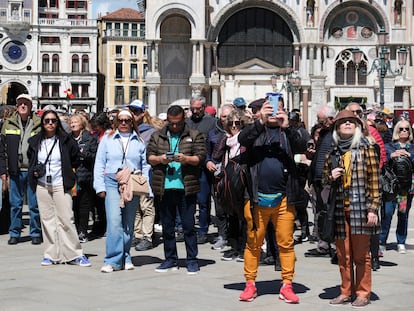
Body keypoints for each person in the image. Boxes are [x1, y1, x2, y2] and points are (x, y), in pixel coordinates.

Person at [238, 98, 307, 303]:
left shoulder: (287, 132)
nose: (275, 112)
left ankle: (287, 284)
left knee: (286, 243)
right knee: (253, 243)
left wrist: (288, 127)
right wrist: (260, 121)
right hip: (256, 197)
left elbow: (302, 146)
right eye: (270, 108)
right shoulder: (255, 130)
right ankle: (250, 283)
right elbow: (243, 139)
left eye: (278, 108)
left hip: (285, 197)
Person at [323, 109, 380, 307]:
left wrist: (373, 209)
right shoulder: (333, 151)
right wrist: (331, 176)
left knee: (361, 255)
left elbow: (374, 180)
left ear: (357, 126)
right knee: (343, 255)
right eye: (343, 122)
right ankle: (345, 291)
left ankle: (363, 293)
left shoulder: (366, 147)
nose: (347, 124)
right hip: (339, 209)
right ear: (337, 128)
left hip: (361, 209)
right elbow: (322, 179)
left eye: (351, 122)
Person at [27, 109, 91, 267]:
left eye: (53, 121)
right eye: (47, 120)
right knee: (47, 220)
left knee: (66, 219)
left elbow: (76, 158)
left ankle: (75, 254)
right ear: (42, 123)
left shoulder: (66, 140)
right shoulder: (35, 141)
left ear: (58, 123)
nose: (50, 123)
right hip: (42, 184)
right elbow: (31, 157)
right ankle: (51, 254)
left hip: (61, 184)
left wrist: (68, 171)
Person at [147, 105, 206, 274]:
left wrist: (185, 158)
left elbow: (200, 158)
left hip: (186, 187)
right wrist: (160, 159)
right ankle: (170, 258)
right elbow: (149, 157)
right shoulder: (157, 136)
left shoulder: (194, 135)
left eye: (177, 123)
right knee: (167, 226)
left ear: (183, 120)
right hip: (164, 187)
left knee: (188, 226)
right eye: (171, 123)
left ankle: (192, 260)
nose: (174, 126)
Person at [94, 109, 151, 273]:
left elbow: (145, 165)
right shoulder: (107, 138)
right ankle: (112, 259)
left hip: (132, 181)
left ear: (132, 122)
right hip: (112, 181)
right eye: (121, 120)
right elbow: (99, 163)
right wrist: (99, 186)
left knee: (128, 223)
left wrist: (147, 187)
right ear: (116, 122)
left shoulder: (139, 140)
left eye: (127, 120)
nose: (124, 123)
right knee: (114, 221)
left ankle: (125, 255)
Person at [0, 94, 42, 245]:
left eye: (26, 103)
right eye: (20, 104)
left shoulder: (39, 123)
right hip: (15, 171)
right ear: (17, 106)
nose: (23, 106)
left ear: (31, 106)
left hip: (33, 171)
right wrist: (3, 170)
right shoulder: (8, 124)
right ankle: (14, 233)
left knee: (34, 205)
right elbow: (2, 150)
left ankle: (36, 232)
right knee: (15, 205)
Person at [212, 109, 248, 261]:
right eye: (231, 123)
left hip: (242, 182)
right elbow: (216, 155)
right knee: (231, 216)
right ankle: (233, 247)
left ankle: (244, 248)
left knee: (243, 217)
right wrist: (224, 139)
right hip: (227, 183)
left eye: (237, 123)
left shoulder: (245, 139)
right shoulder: (226, 139)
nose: (234, 126)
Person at [305, 105, 336, 258]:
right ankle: (323, 244)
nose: (318, 123)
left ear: (330, 119)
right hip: (318, 179)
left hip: (329, 181)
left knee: (329, 213)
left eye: (321, 120)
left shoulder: (337, 134)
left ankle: (332, 245)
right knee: (321, 213)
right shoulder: (323, 133)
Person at [379, 119, 414, 255]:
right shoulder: (389, 147)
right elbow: (382, 162)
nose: (404, 131)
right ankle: (382, 241)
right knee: (387, 213)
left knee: (403, 214)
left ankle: (401, 242)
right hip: (390, 188)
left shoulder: (412, 148)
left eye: (406, 129)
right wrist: (391, 156)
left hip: (405, 189)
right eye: (401, 129)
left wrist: (409, 156)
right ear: (396, 131)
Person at [127, 99, 157, 251]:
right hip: (130, 173)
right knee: (135, 206)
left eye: (136, 111)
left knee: (146, 205)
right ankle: (137, 234)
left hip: (145, 173)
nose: (133, 113)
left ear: (143, 113)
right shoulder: (127, 130)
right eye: (131, 110)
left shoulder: (150, 132)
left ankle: (147, 236)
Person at [185, 95, 216, 244]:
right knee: (187, 200)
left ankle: (203, 230)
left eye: (198, 108)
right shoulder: (186, 123)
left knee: (203, 201)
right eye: (193, 108)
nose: (195, 111)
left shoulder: (212, 122)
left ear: (204, 107)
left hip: (203, 167)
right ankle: (186, 228)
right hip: (187, 166)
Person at [206, 104, 234, 250]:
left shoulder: (239, 132)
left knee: (235, 209)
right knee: (220, 208)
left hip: (235, 177)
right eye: (224, 116)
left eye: (229, 116)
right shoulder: (213, 133)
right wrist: (208, 161)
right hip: (218, 177)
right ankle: (222, 235)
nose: (226, 120)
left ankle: (236, 238)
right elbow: (207, 152)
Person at [69, 113, 98, 243]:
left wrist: (82, 154)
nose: (72, 124)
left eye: (75, 122)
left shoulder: (89, 138)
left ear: (81, 123)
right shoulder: (68, 139)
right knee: (73, 205)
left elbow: (93, 155)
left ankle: (83, 231)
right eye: (71, 122)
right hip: (71, 176)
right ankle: (74, 230)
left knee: (84, 205)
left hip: (85, 176)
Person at [89, 112, 111, 238]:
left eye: (96, 126)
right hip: (97, 172)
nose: (95, 128)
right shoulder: (97, 135)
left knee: (105, 204)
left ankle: (106, 226)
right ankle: (100, 225)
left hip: (106, 173)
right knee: (98, 204)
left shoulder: (109, 135)